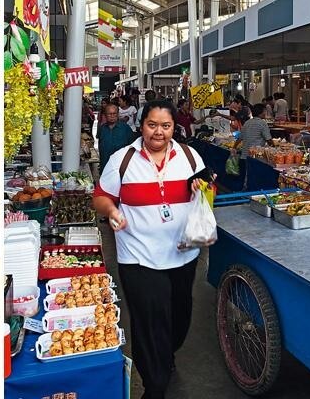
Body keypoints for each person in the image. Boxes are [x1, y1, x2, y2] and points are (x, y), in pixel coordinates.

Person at [93, 100, 214, 399]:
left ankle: (167, 354)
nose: (158, 132)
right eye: (152, 124)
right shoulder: (123, 159)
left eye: (166, 125)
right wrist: (111, 211)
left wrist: (205, 189)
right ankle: (154, 385)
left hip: (183, 253)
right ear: (141, 125)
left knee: (179, 315)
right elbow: (101, 196)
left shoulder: (189, 156)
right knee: (148, 321)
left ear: (174, 127)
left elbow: (209, 190)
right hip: (138, 255)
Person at [97, 102, 135, 177]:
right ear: (105, 115)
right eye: (109, 114)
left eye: (114, 114)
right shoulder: (102, 128)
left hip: (121, 167)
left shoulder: (125, 128)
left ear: (118, 115)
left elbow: (132, 147)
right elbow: (100, 147)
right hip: (106, 167)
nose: (112, 116)